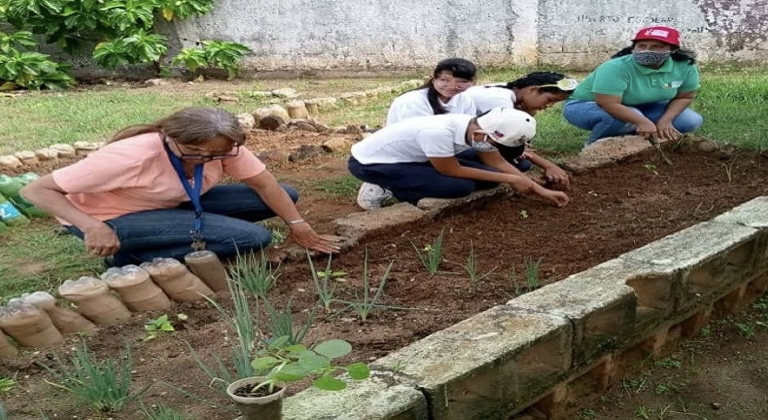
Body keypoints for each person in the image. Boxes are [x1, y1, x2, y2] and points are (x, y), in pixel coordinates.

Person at [20, 107, 339, 267]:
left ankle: (175, 236)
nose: (205, 160)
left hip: (169, 203)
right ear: (171, 138)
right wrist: (91, 227)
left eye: (214, 155)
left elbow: (265, 185)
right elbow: (35, 190)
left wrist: (298, 225)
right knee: (254, 238)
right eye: (195, 153)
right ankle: (129, 258)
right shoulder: (130, 155)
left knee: (286, 196)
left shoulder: (223, 145)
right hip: (111, 217)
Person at [350, 107, 570, 210]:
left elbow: (496, 162)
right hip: (372, 164)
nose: (492, 148)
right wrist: (513, 179)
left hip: (418, 157)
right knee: (458, 186)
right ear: (488, 134)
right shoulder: (437, 132)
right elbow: (450, 170)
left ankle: (408, 180)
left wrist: (539, 190)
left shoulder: (481, 128)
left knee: (492, 177)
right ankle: (384, 186)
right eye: (495, 144)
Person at [562, 26, 703, 145]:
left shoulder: (685, 66)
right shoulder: (616, 67)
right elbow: (607, 103)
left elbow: (684, 97)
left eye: (656, 47)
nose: (647, 51)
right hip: (586, 105)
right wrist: (641, 121)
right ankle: (596, 147)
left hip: (642, 106)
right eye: (641, 46)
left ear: (672, 50)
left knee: (690, 120)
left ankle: (636, 140)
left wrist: (665, 120)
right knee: (623, 118)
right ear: (633, 47)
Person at [463, 72, 578, 184]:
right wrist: (548, 165)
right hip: (459, 143)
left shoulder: (511, 90)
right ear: (532, 89)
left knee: (522, 163)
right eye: (550, 99)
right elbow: (490, 142)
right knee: (510, 167)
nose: (550, 106)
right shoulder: (500, 102)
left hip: (473, 137)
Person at [386, 58, 477, 125]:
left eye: (461, 81)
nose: (452, 86)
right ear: (433, 80)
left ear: (472, 82)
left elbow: (468, 127)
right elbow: (420, 136)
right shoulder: (412, 102)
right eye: (444, 80)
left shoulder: (465, 99)